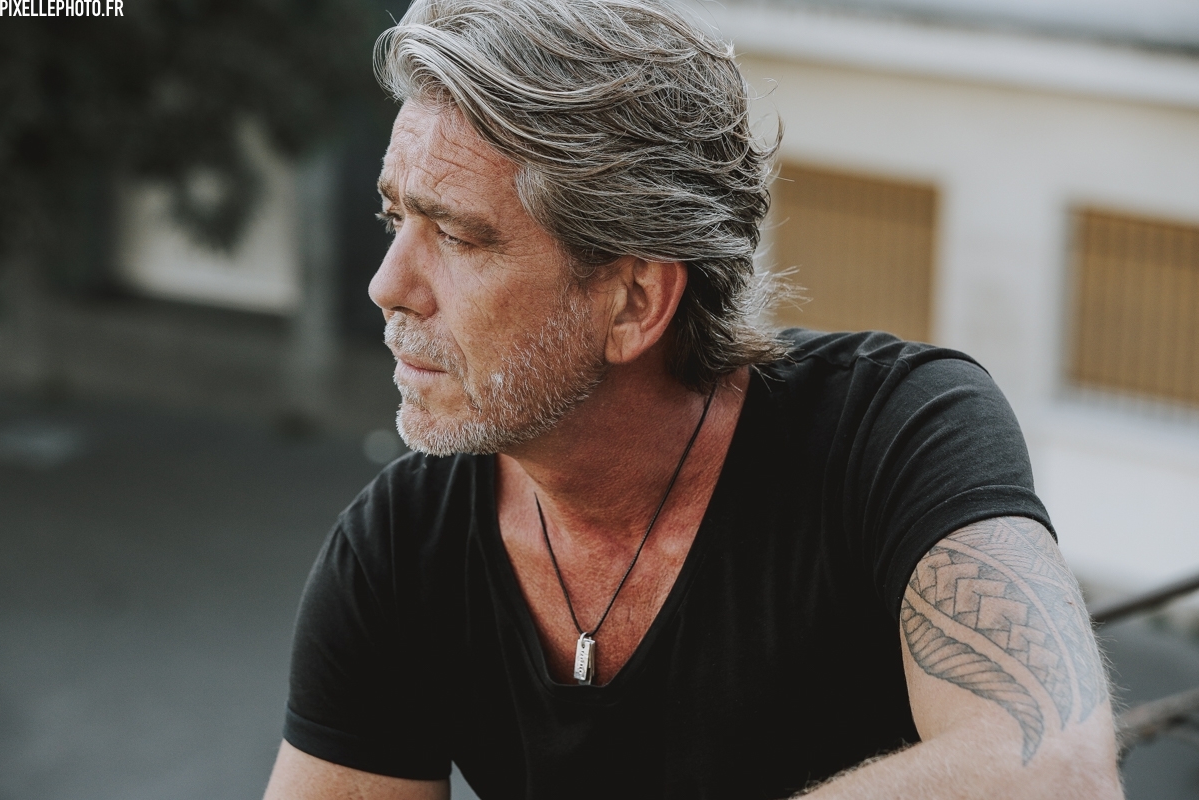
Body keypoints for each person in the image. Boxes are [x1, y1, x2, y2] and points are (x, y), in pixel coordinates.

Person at [264, 1, 1122, 797]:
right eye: (395, 219)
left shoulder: (898, 432)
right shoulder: (399, 549)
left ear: (635, 302)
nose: (388, 285)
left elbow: (1055, 771)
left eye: (455, 235)